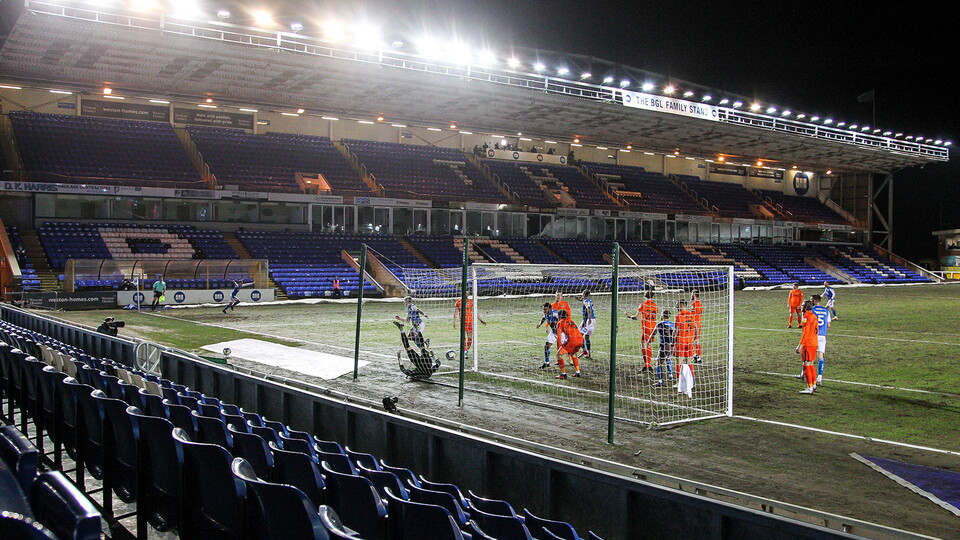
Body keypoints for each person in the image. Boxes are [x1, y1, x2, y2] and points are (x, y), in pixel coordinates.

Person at [627, 291, 658, 372]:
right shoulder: (655, 305)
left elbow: (637, 317)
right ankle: (649, 364)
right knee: (649, 345)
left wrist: (629, 316)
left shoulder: (643, 305)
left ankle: (646, 365)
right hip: (653, 327)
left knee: (644, 345)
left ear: (645, 295)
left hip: (646, 327)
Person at [645, 310, 675, 387]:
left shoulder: (660, 324)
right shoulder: (673, 324)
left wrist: (648, 342)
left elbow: (653, 334)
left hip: (664, 346)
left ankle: (660, 381)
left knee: (658, 363)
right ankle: (671, 376)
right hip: (672, 346)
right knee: (668, 359)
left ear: (663, 315)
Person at [796, 300, 819, 394]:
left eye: (802, 305)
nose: (800, 306)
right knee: (811, 364)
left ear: (805, 307)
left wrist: (800, 345)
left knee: (806, 365)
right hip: (814, 342)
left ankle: (809, 388)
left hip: (808, 343)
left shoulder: (807, 317)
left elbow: (805, 333)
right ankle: (813, 384)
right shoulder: (813, 315)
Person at [554, 309, 584, 379]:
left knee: (558, 355)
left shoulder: (560, 323)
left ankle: (563, 374)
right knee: (573, 353)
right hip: (580, 339)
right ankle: (578, 372)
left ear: (559, 316)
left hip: (572, 340)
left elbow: (559, 337)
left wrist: (559, 347)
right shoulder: (571, 321)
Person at [810, 294, 831, 386]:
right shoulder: (826, 310)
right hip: (822, 336)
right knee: (820, 357)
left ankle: (804, 374)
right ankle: (820, 377)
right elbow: (829, 325)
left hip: (813, 335)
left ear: (814, 300)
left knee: (809, 356)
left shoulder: (812, 310)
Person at [536, 302, 560, 369]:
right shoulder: (546, 314)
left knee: (567, 349)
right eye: (543, 309)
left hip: (561, 333)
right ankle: (547, 363)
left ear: (550, 308)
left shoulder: (555, 313)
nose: (544, 311)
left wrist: (555, 322)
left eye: (545, 309)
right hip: (554, 332)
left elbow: (562, 319)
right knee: (547, 346)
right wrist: (539, 324)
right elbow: (543, 318)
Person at [673, 300, 695, 364]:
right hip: (689, 340)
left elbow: (676, 330)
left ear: (681, 305)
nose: (676, 307)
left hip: (681, 341)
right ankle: (690, 374)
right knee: (689, 361)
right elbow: (696, 327)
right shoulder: (691, 315)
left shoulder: (679, 316)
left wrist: (673, 340)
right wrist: (695, 338)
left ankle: (679, 374)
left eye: (677, 305)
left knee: (679, 361)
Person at [579, 290, 596, 358]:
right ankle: (588, 353)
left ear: (584, 294)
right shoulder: (589, 300)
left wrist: (588, 319)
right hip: (593, 319)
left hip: (588, 320)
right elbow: (581, 300)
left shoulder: (586, 301)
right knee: (586, 337)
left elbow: (589, 309)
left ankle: (584, 350)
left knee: (579, 335)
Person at [690, 290, 703, 362]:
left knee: (695, 340)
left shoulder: (694, 304)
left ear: (694, 295)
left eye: (692, 294)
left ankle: (698, 356)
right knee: (695, 340)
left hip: (695, 324)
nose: (691, 295)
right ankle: (696, 355)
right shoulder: (700, 304)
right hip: (699, 324)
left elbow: (693, 316)